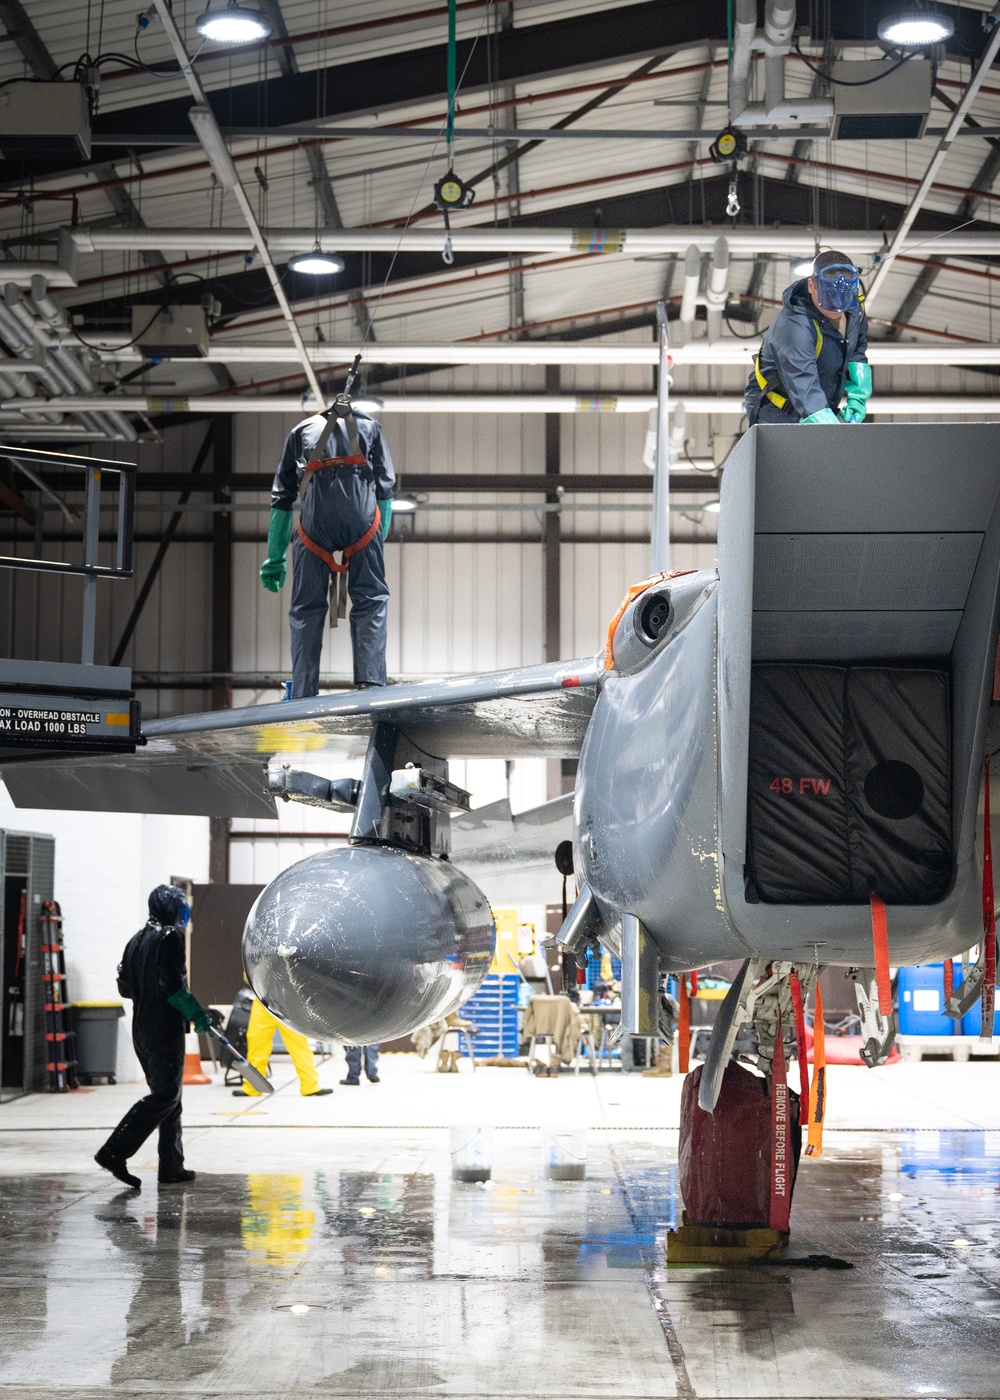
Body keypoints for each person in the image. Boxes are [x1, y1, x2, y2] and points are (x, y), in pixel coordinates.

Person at [259, 403, 395, 697]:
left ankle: (304, 690)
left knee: (306, 607)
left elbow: (282, 496)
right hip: (361, 519)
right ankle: (370, 683)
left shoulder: (300, 431)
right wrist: (377, 539)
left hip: (314, 522)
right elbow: (385, 485)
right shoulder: (370, 426)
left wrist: (275, 556)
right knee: (371, 600)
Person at [95, 884, 211, 1190]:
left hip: (142, 1028)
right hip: (163, 1028)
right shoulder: (170, 937)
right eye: (179, 906)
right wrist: (197, 1014)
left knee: (170, 1098)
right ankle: (114, 1151)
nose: (182, 912)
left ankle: (172, 1166)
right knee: (165, 1096)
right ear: (169, 908)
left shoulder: (136, 940)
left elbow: (125, 987)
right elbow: (172, 986)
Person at [744, 249, 871, 426]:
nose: (837, 306)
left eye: (844, 297)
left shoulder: (854, 308)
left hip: (824, 406)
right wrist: (832, 431)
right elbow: (804, 384)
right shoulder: (794, 326)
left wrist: (858, 397)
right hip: (779, 416)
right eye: (830, 297)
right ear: (811, 286)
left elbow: (857, 349)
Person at [232, 995, 333, 1098]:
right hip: (264, 1001)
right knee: (256, 1045)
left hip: (287, 1003)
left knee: (299, 1046)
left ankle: (310, 1085)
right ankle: (252, 1087)